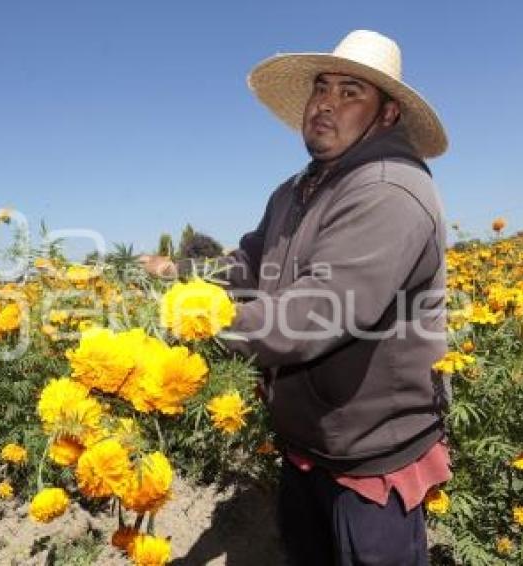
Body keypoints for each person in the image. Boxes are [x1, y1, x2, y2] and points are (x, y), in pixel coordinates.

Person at [141, 30, 451, 565]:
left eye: (351, 92)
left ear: (387, 115)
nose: (327, 103)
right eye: (321, 88)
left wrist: (195, 323)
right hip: (307, 444)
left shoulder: (389, 191)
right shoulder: (295, 191)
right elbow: (246, 265)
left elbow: (313, 315)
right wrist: (182, 274)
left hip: (371, 456)